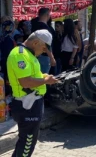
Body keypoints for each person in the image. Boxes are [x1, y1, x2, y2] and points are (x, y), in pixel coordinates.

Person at [7, 29, 58, 157]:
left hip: (32, 103)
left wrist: (44, 76)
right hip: (27, 105)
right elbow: (25, 82)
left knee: (26, 142)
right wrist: (46, 80)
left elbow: (33, 76)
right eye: (44, 48)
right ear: (35, 43)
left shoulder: (29, 55)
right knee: (27, 143)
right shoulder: (20, 55)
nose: (44, 52)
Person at [30, 8, 56, 74]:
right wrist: (51, 58)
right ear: (47, 15)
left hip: (35, 55)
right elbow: (47, 45)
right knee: (43, 79)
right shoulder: (45, 28)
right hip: (43, 56)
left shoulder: (34, 26)